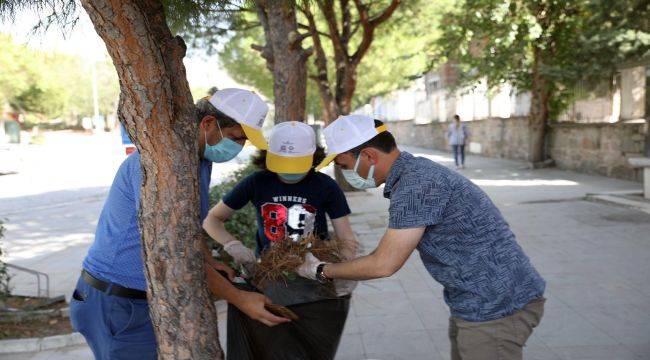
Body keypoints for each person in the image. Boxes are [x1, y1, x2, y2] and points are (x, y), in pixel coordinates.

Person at [298, 114, 546, 360]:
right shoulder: (414, 174)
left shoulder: (417, 185)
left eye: (343, 165)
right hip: (476, 301)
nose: (343, 172)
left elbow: (383, 263)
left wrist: (321, 270)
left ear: (369, 156)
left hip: (496, 306)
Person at [69, 89, 289, 360]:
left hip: (137, 299)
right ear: (208, 124)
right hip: (115, 301)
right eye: (236, 138)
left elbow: (189, 227)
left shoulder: (200, 162)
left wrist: (210, 261)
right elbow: (176, 249)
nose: (240, 147)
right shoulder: (160, 167)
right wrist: (239, 298)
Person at [203, 121, 358, 360]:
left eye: (297, 164)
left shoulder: (326, 186)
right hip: (269, 280)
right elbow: (212, 220)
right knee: (273, 347)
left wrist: (343, 270)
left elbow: (346, 236)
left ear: (312, 158)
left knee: (309, 348)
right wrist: (235, 248)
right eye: (283, 163)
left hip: (313, 281)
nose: (290, 171)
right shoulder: (257, 182)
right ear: (269, 156)